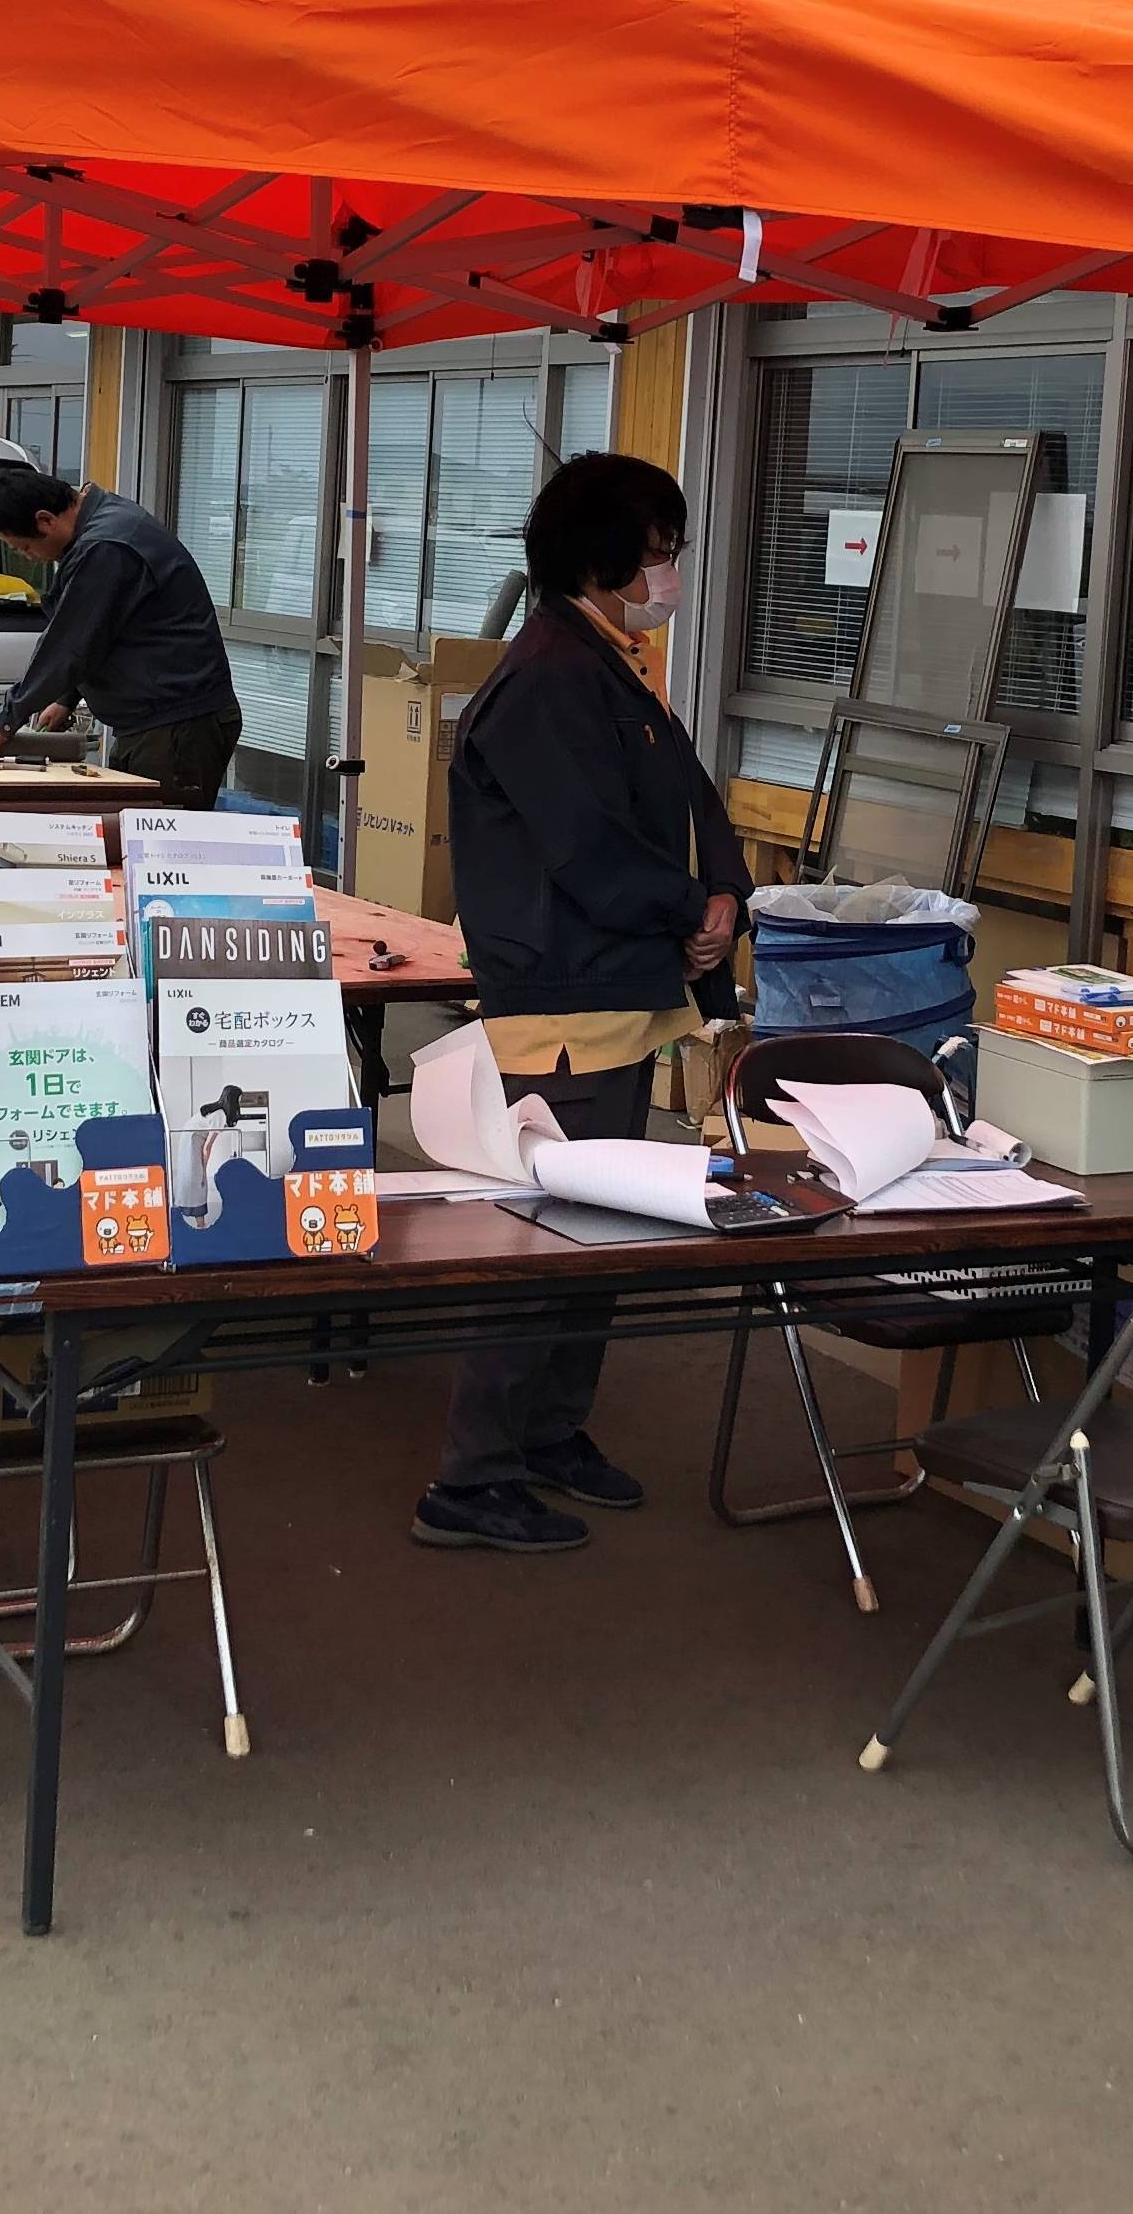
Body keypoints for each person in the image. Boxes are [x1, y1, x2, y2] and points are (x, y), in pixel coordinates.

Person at [412, 452, 749, 1556]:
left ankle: (551, 1432)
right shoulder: (553, 674)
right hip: (565, 996)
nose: (671, 570)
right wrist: (688, 907)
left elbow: (689, 804)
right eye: (658, 549)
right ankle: (470, 1476)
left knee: (597, 1229)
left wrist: (723, 895)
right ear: (602, 557)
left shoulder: (609, 660)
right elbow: (589, 845)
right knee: (538, 1237)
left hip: (621, 985)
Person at [0, 467, 241, 808]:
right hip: (156, 723)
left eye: (25, 548)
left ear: (45, 520)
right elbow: (102, 630)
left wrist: (6, 719)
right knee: (129, 830)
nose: (29, 557)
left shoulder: (105, 546)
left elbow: (69, 644)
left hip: (176, 726)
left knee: (160, 846)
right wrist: (65, 697)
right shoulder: (101, 521)